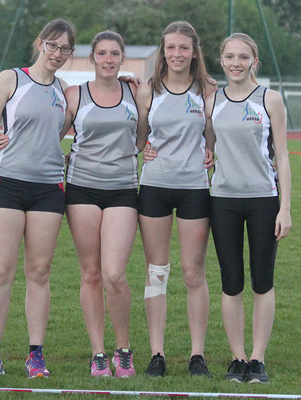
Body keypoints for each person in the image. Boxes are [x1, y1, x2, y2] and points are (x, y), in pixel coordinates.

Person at [0, 18, 76, 378]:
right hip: (7, 185)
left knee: (39, 272)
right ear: (40, 43)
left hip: (49, 189)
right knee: (1, 271)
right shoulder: (10, 79)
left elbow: (73, 129)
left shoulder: (66, 91)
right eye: (53, 45)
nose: (57, 53)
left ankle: (36, 354)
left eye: (65, 48)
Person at [205, 32, 292, 383]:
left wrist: (285, 208)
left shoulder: (270, 99)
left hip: (263, 200)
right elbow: (206, 147)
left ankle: (257, 359)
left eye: (243, 57)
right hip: (222, 200)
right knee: (231, 284)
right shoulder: (213, 101)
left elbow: (282, 156)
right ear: (222, 60)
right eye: (229, 57)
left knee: (262, 282)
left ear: (254, 61)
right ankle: (237, 358)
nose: (235, 63)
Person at [134, 21, 217, 378]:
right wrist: (144, 149)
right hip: (154, 187)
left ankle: (197, 355)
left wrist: (212, 151)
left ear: (194, 52)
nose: (178, 54)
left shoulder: (209, 90)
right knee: (157, 273)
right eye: (171, 48)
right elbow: (138, 136)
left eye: (185, 48)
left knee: (192, 272)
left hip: (195, 189)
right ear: (162, 51)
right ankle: (157, 353)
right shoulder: (148, 91)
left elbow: (215, 135)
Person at [64, 30, 139, 378]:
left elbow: (149, 134)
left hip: (123, 189)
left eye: (114, 54)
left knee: (114, 274)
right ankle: (98, 353)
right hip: (82, 191)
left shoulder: (135, 92)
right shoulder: (74, 96)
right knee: (91, 274)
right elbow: (46, 134)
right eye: (102, 53)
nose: (108, 59)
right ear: (91, 58)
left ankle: (123, 350)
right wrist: (2, 137)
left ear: (122, 58)